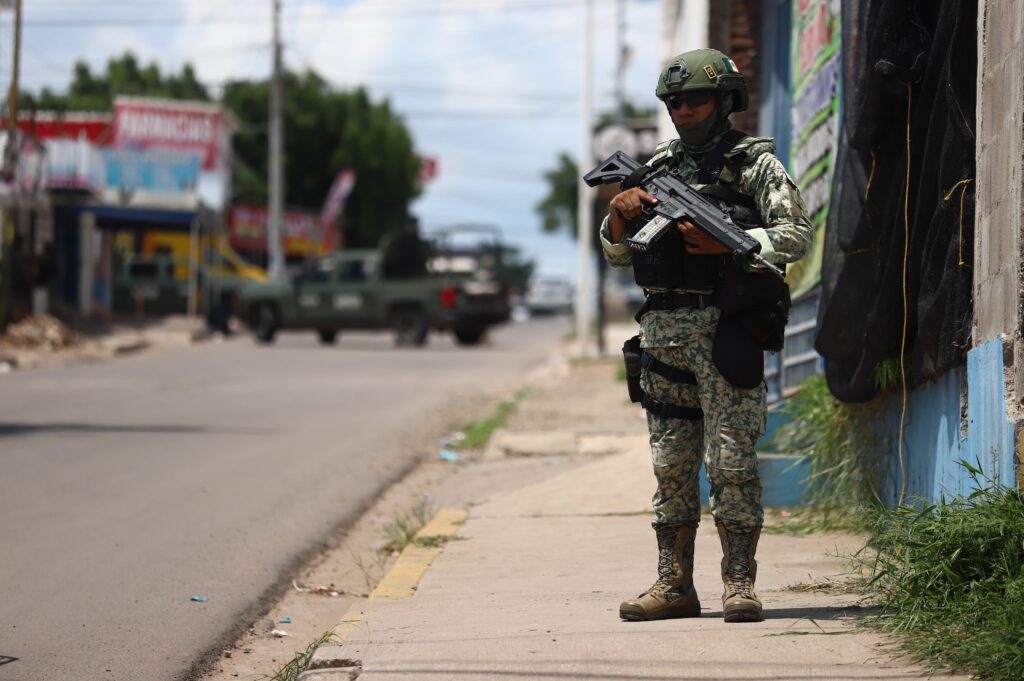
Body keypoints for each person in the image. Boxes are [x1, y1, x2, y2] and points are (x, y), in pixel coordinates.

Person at [600, 48, 812, 623]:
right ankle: (674, 585)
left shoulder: (755, 165)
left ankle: (739, 585)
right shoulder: (657, 168)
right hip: (664, 336)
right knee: (670, 465)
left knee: (732, 464)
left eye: (694, 98)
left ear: (724, 101)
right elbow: (619, 254)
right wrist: (619, 214)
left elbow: (796, 233)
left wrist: (735, 244)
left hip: (727, 334)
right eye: (672, 101)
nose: (682, 109)